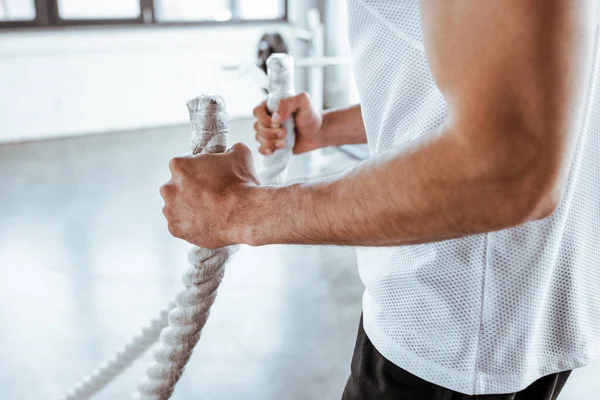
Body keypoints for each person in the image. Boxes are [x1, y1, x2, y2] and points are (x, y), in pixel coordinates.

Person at [160, 1, 600, 399]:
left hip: (446, 329)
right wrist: (326, 128)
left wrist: (240, 210)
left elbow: (505, 169)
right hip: (540, 305)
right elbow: (498, 90)